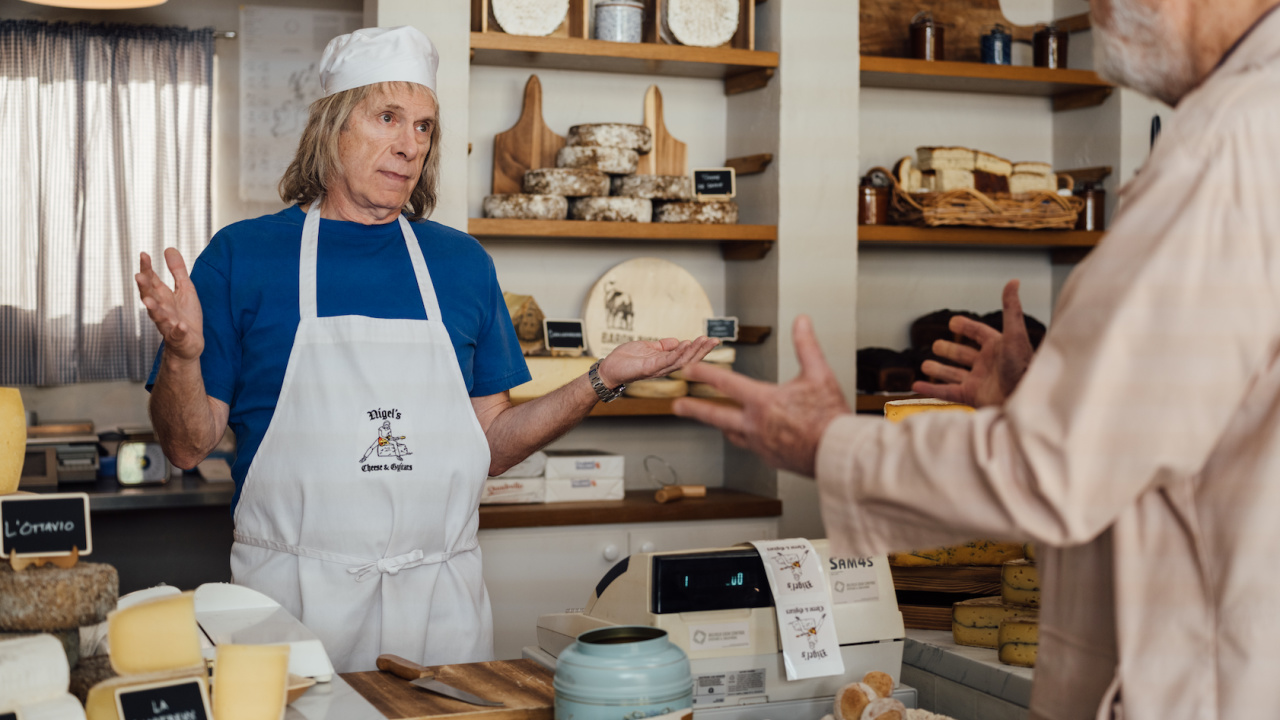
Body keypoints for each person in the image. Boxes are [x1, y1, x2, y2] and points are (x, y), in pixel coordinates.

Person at [674, 0, 1280, 717]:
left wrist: (826, 444)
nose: (1095, 13)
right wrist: (1049, 400)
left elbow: (1058, 471)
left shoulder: (1231, 140)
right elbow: (1206, 423)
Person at [135, 25, 716, 673]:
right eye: (387, 118)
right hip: (293, 612)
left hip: (442, 612)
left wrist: (601, 378)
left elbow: (490, 445)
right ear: (333, 127)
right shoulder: (242, 258)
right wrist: (184, 355)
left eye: (424, 127)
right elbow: (187, 446)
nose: (409, 146)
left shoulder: (460, 265)